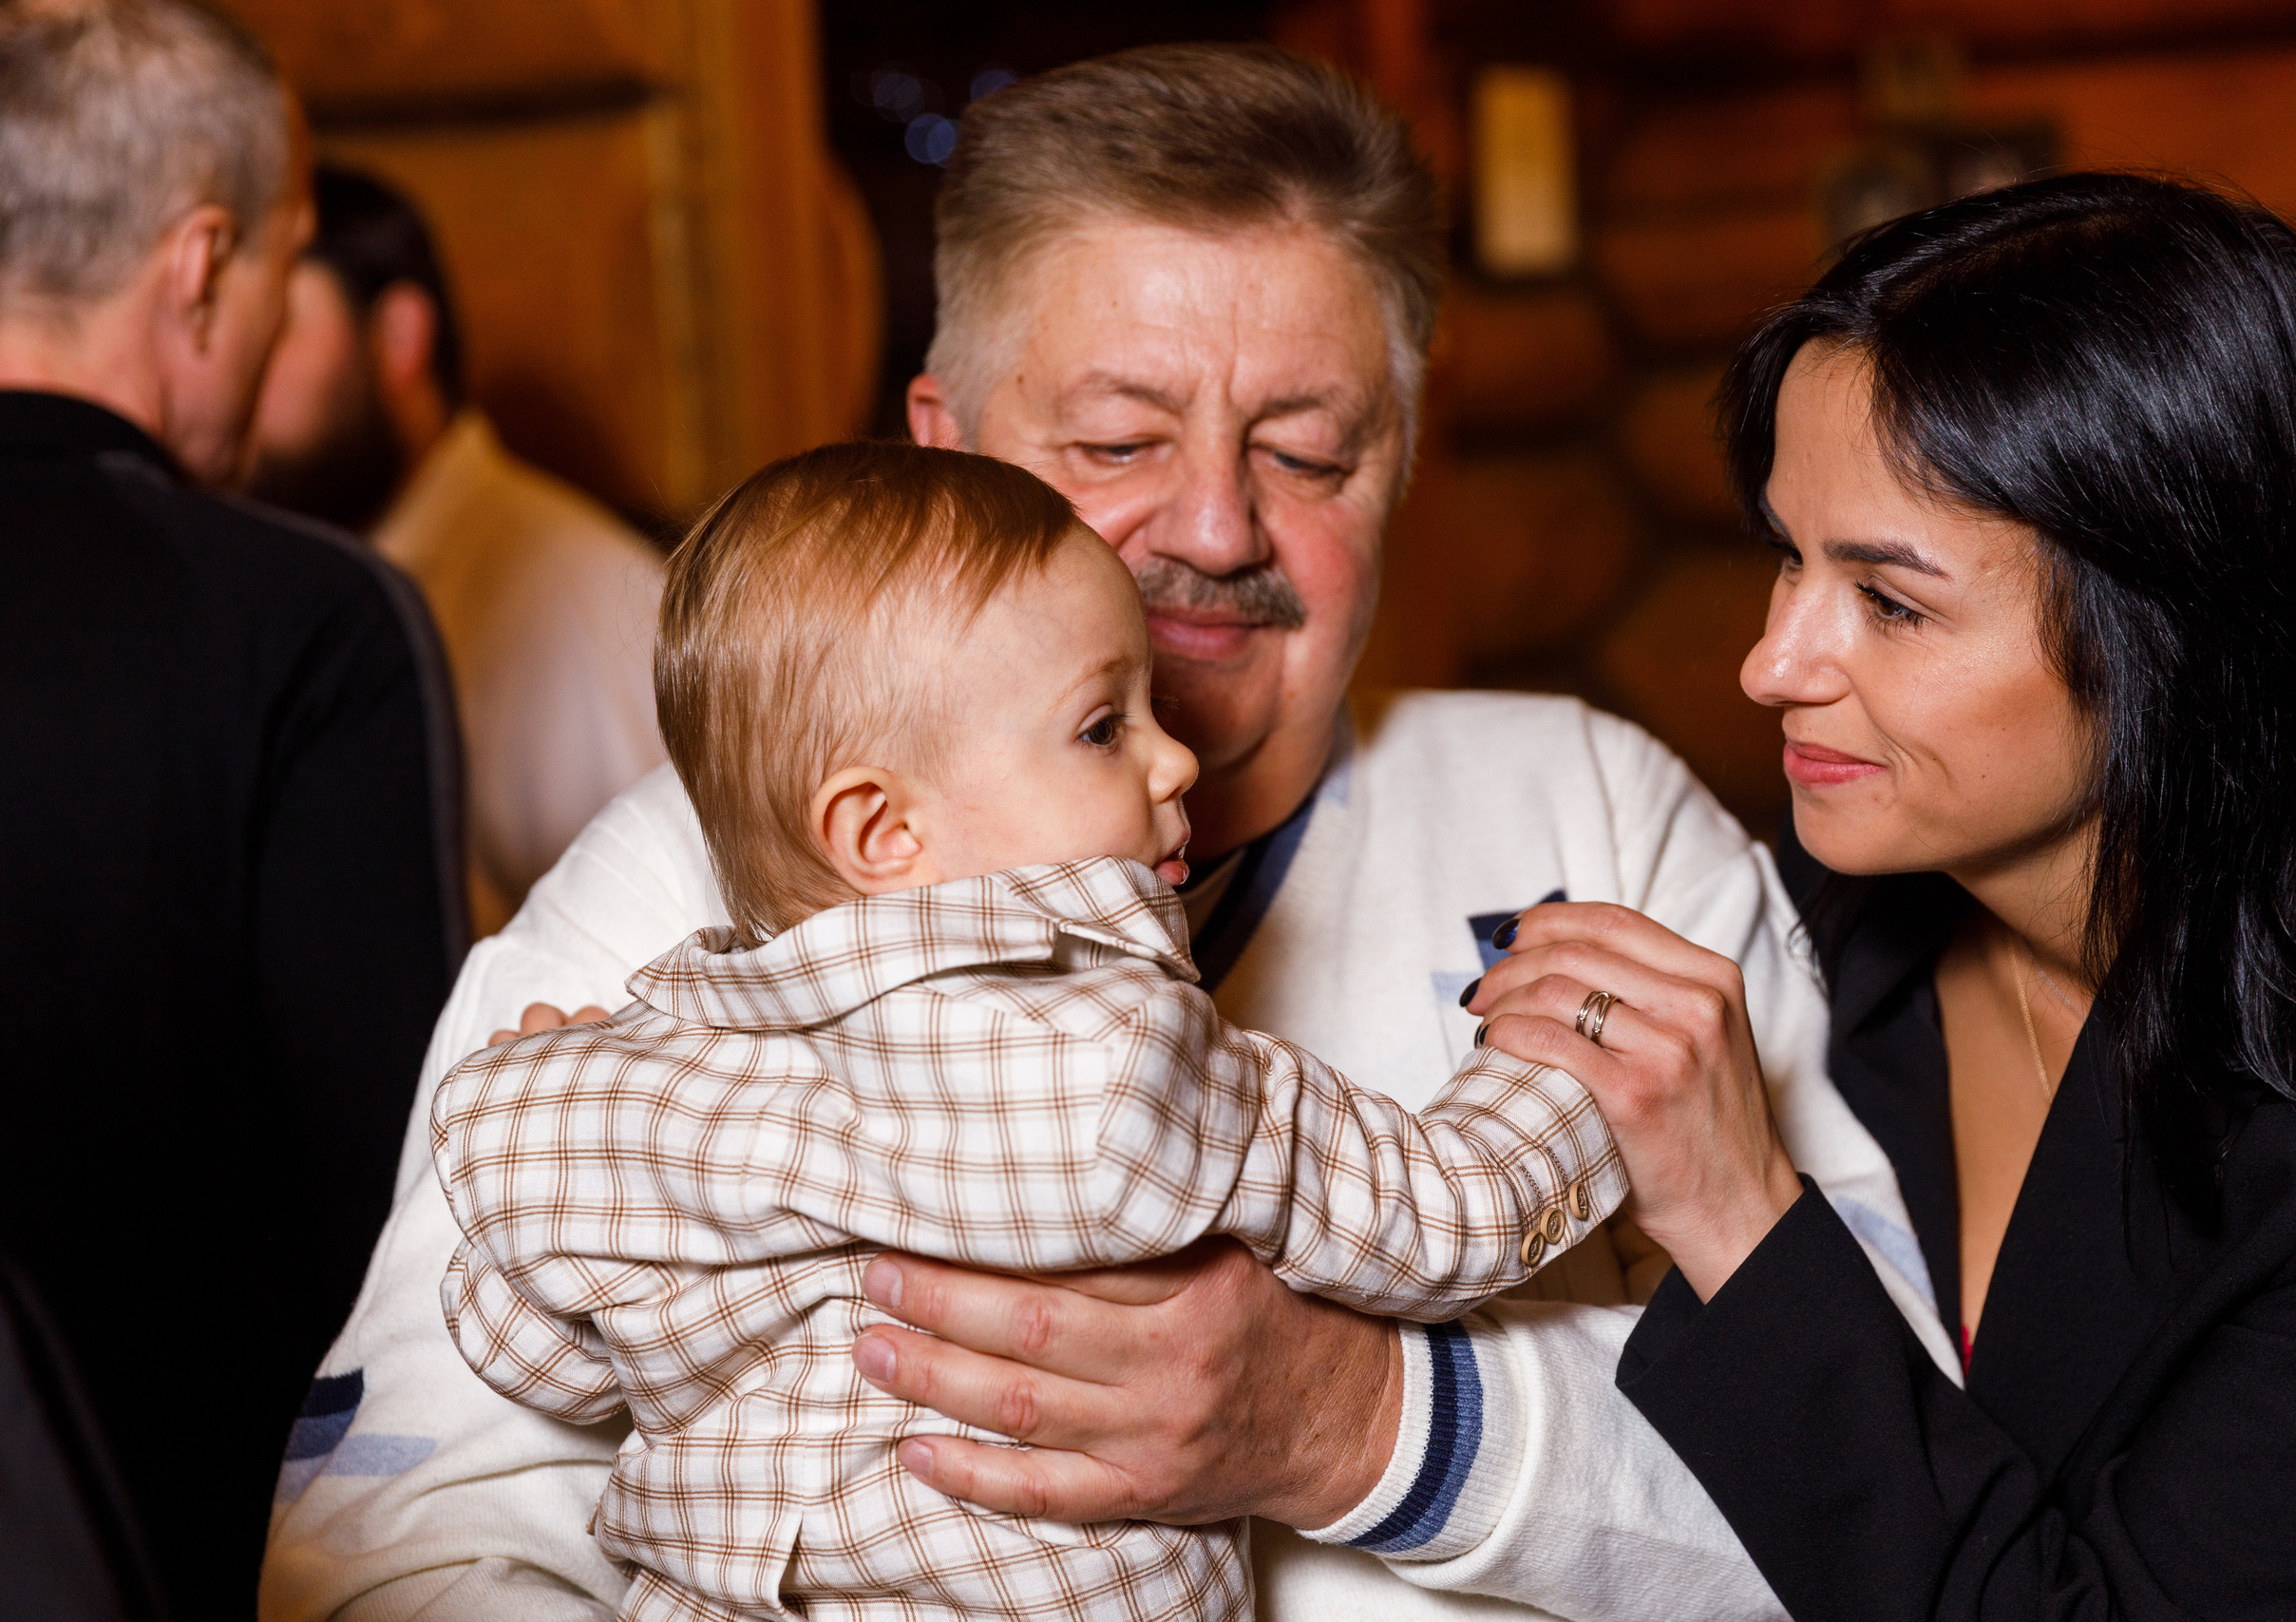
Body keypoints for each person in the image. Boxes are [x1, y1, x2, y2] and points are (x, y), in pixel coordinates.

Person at [261, 46, 1945, 1622]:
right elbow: (398, 1525)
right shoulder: (667, 893)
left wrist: (1364, 1419)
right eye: (1117, 443)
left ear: (1404, 468)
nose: (1214, 525)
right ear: (943, 449)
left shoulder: (1596, 814)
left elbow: (1911, 1491)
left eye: (1307, 450)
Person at [437, 440, 1626, 1621]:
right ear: (883, 830)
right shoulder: (1122, 1067)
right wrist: (1565, 1060)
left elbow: (544, 1360)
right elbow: (1445, 1212)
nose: (1177, 756)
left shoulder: (636, 1088)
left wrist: (562, 1095)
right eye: (1103, 727)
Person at [1465, 173, 2296, 1617]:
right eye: (1788, 556)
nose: (1771, 664)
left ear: (2171, 627)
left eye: (1892, 602)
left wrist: (1740, 1216)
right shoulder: (1832, 919)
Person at [0, 2, 465, 1615]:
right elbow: (407, 1217)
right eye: (283, 257)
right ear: (201, 264)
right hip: (193, 1554)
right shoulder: (309, 621)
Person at [248, 164, 668, 937]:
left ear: (399, 336)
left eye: (274, 331)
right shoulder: (291, 586)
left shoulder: (578, 590)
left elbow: (675, 951)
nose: (240, 376)